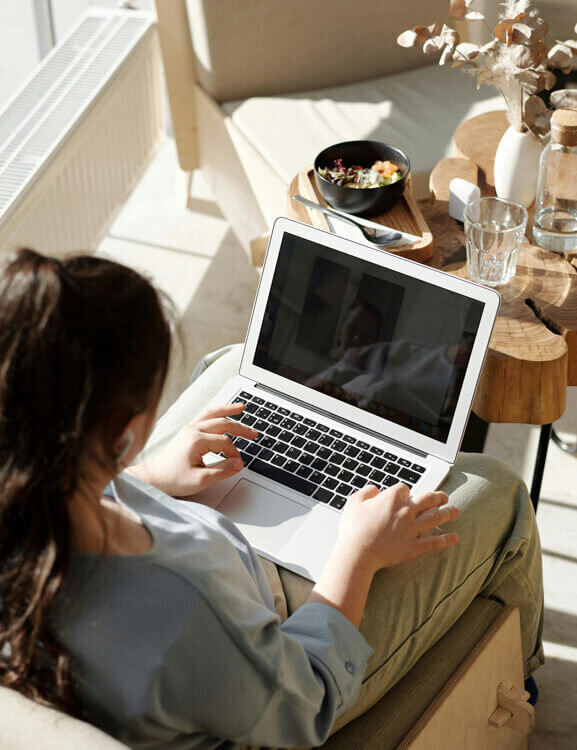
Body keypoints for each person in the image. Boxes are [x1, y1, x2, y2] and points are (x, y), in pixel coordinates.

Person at [0, 249, 544, 749]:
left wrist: (140, 479)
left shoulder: (28, 499)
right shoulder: (181, 604)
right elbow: (307, 699)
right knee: (498, 490)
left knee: (231, 361)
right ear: (121, 429)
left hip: (192, 630)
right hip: (275, 675)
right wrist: (359, 553)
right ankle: (518, 691)